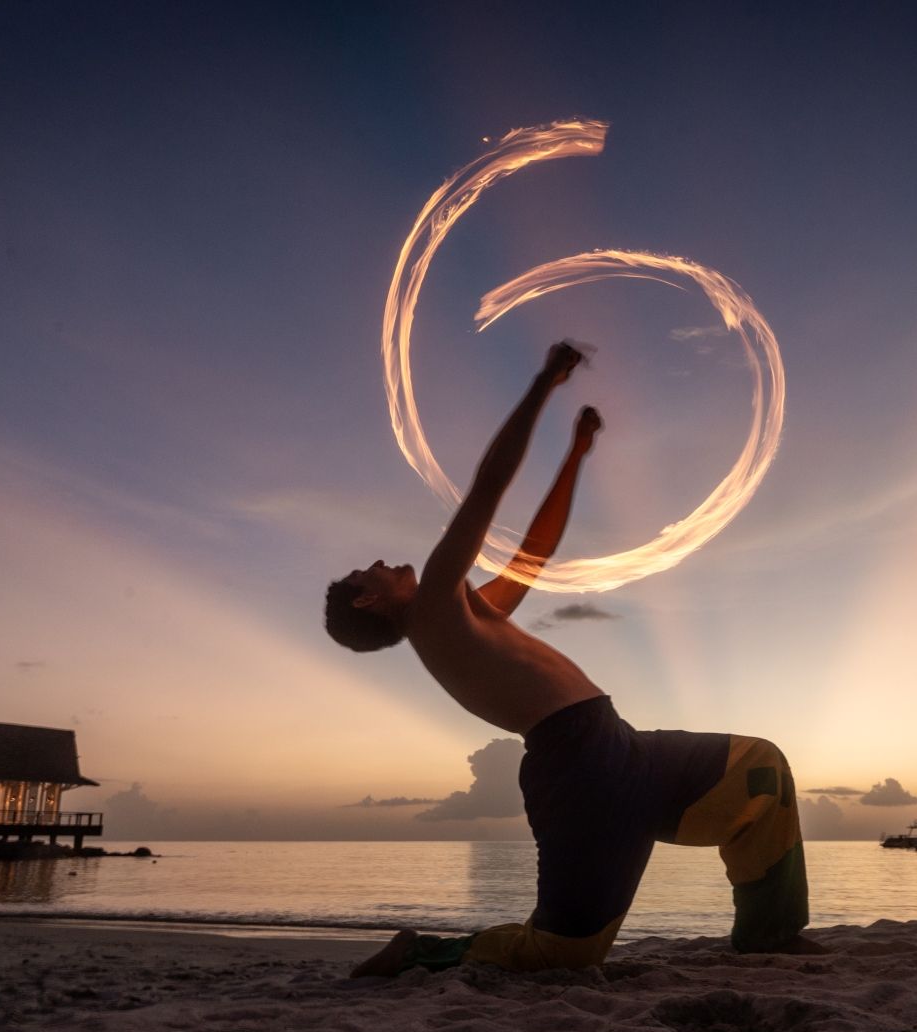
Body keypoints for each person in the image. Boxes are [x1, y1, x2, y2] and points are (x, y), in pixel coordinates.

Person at [326, 342, 823, 977]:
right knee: (562, 955)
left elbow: (534, 552)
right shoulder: (434, 614)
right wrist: (542, 385)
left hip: (620, 746)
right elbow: (488, 489)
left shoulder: (461, 612)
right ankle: (422, 952)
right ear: (369, 600)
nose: (382, 560)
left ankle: (769, 935)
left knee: (761, 769)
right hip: (579, 772)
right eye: (368, 571)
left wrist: (576, 454)